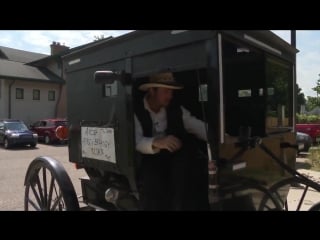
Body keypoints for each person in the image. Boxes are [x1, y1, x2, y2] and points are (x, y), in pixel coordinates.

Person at [134, 71, 208, 211]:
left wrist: (221, 137)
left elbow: (197, 126)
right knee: (151, 184)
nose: (170, 96)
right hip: (149, 161)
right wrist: (157, 142)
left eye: (171, 92)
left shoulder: (176, 110)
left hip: (174, 160)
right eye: (166, 91)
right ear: (152, 90)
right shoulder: (137, 111)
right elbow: (136, 141)